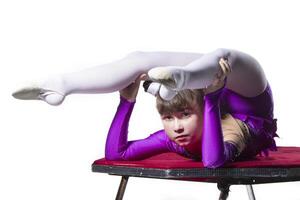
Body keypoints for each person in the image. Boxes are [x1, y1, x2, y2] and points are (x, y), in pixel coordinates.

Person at [12, 49, 278, 168]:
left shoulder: (231, 131)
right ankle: (61, 84)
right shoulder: (174, 137)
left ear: (198, 108)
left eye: (185, 115)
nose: (177, 126)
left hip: (250, 98)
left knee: (224, 56)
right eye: (168, 117)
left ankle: (180, 80)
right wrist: (126, 102)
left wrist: (211, 98)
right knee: (141, 59)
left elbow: (212, 161)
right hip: (204, 84)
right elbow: (116, 154)